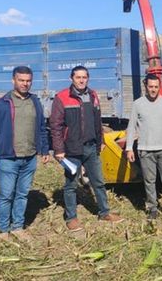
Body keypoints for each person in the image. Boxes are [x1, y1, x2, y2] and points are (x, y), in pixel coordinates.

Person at [50, 65, 123, 232]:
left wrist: (101, 140)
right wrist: (59, 149)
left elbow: (98, 120)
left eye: (84, 77)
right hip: (72, 149)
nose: (81, 80)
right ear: (72, 79)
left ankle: (104, 213)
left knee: (98, 182)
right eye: (78, 77)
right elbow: (55, 125)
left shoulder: (92, 95)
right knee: (71, 185)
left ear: (87, 78)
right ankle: (71, 218)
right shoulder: (62, 97)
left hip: (91, 147)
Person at [0, 66, 50, 241]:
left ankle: (17, 227)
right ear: (13, 80)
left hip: (29, 157)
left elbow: (42, 127)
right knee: (6, 194)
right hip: (8, 158)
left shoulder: (35, 102)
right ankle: (3, 230)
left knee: (22, 194)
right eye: (21, 80)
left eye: (28, 81)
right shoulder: (1, 103)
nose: (25, 84)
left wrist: (44, 149)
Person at [125, 73, 162, 221]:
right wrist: (129, 148)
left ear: (160, 87)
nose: (153, 89)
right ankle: (152, 208)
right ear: (146, 86)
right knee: (149, 181)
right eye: (150, 86)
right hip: (145, 150)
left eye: (156, 87)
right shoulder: (138, 104)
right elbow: (131, 127)